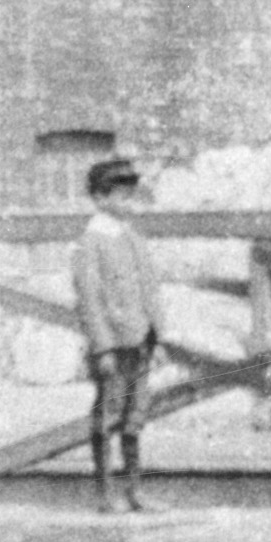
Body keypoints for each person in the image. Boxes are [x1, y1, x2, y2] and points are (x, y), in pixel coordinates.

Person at [71, 155, 163, 512]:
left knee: (135, 416)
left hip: (140, 341)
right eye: (119, 196)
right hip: (113, 347)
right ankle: (105, 493)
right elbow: (90, 298)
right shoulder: (91, 242)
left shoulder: (131, 237)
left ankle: (135, 490)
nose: (128, 203)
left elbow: (149, 289)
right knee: (109, 414)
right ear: (99, 198)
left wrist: (158, 336)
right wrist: (103, 347)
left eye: (130, 196)